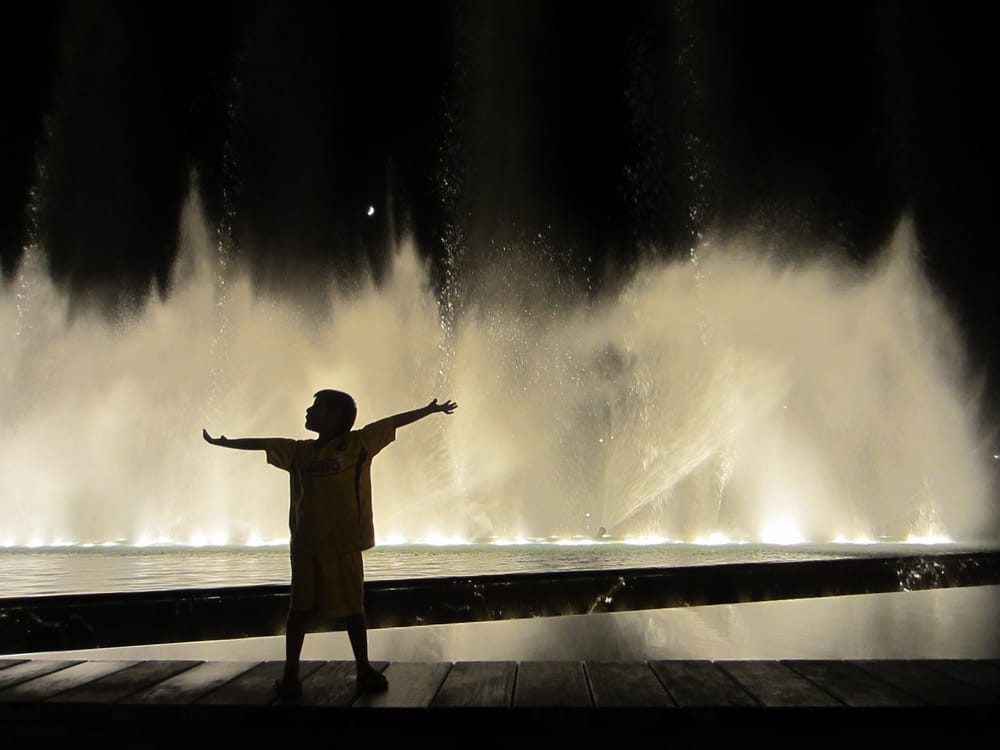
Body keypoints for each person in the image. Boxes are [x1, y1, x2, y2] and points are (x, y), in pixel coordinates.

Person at [203, 390, 457, 696]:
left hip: (343, 546)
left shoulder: (357, 445)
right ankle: (291, 673)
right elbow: (264, 443)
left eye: (317, 408)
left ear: (335, 416)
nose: (309, 412)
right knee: (298, 610)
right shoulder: (300, 452)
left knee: (353, 610)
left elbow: (391, 423)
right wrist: (225, 443)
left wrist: (428, 410)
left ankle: (363, 668)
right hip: (307, 548)